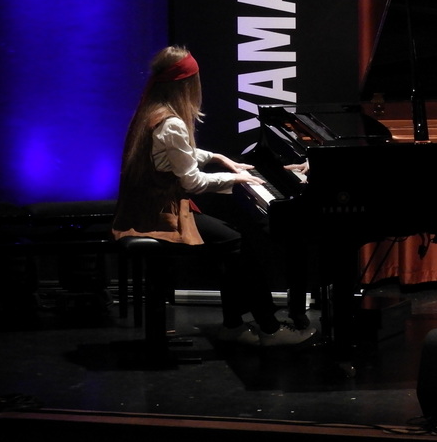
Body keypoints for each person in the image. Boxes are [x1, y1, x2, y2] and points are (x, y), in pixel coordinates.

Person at [112, 45, 314, 347]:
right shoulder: (173, 123)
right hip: (159, 214)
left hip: (145, 206)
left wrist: (217, 157)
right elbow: (192, 181)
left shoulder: (151, 112)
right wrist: (236, 178)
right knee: (236, 243)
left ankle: (233, 324)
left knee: (230, 240)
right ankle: (270, 328)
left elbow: (174, 155)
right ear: (186, 85)